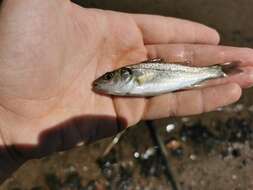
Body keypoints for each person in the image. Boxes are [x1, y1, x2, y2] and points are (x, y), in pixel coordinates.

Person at [0, 0, 253, 183]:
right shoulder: (128, 80)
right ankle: (220, 70)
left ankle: (220, 70)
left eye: (110, 77)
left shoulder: (135, 76)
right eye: (109, 76)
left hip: (188, 75)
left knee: (215, 74)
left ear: (126, 76)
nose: (103, 82)